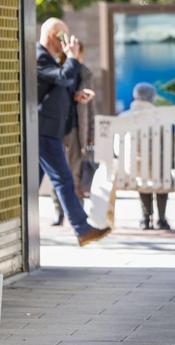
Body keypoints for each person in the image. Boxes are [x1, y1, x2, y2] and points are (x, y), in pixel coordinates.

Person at [37, 17, 111, 247]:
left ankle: (80, 229)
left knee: (31, 185)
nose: (67, 42)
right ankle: (82, 228)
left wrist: (75, 96)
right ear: (53, 36)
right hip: (44, 130)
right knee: (64, 179)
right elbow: (62, 77)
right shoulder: (39, 56)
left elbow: (56, 88)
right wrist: (72, 58)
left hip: (50, 130)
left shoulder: (49, 59)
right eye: (63, 37)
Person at [51, 43, 96, 226]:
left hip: (78, 129)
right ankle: (59, 211)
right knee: (57, 172)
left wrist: (91, 132)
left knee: (76, 172)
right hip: (58, 129)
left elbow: (91, 106)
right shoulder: (57, 70)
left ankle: (78, 211)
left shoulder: (85, 73)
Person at [126, 83, 171, 230]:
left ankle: (146, 218)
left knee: (143, 179)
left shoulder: (125, 116)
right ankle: (162, 218)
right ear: (152, 97)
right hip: (159, 166)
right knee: (161, 177)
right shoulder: (160, 117)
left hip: (133, 168)